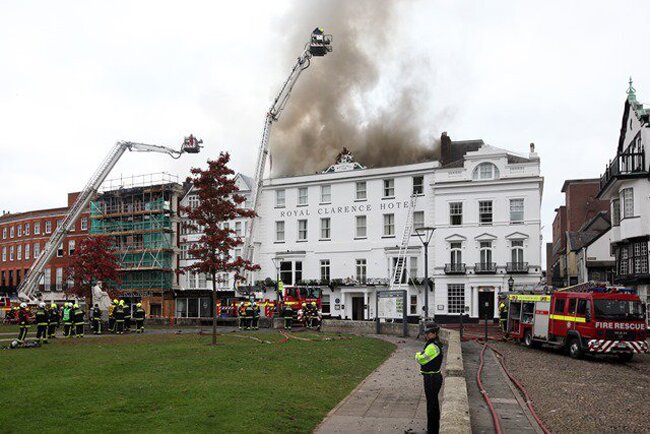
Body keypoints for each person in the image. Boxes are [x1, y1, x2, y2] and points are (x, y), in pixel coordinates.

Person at [415, 323, 444, 434]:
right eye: (426, 333)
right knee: (433, 404)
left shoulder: (433, 346)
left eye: (428, 333)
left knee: (431, 406)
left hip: (431, 378)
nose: (426, 335)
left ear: (435, 333)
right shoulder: (435, 344)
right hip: (433, 377)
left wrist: (417, 355)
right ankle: (433, 430)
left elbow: (422, 359)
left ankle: (432, 431)